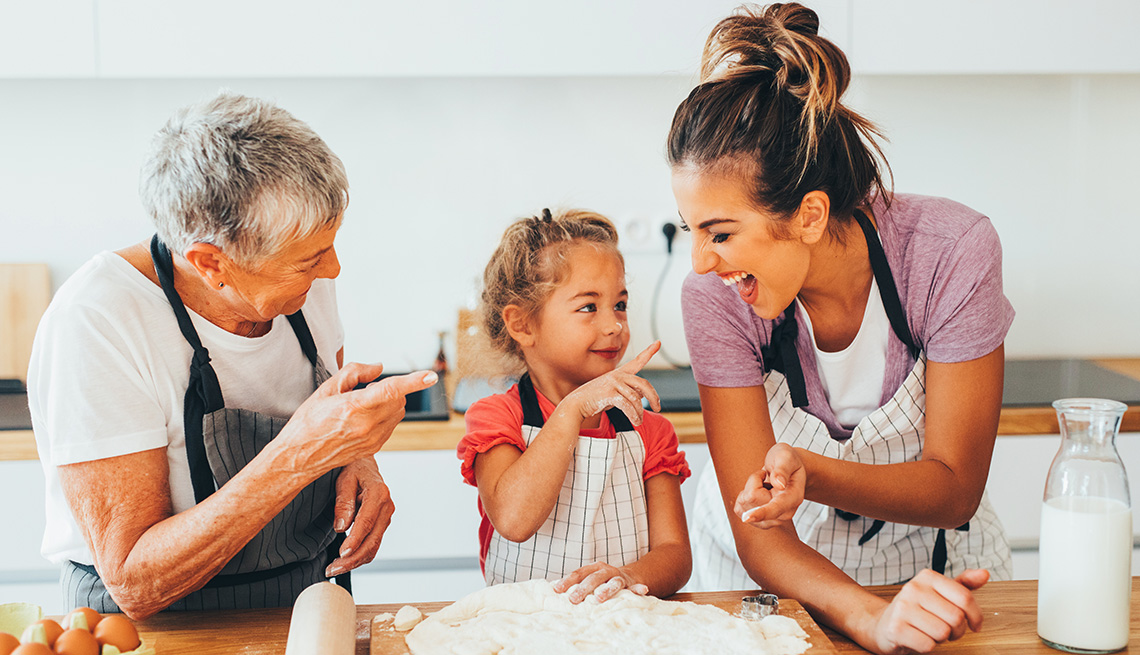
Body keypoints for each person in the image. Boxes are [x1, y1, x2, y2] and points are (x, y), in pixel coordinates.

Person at [669, 4, 1013, 653]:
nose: (700, 261)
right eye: (691, 229)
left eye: (720, 232)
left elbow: (953, 486)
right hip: (770, 597)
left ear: (809, 214)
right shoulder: (715, 297)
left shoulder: (948, 251)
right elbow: (760, 529)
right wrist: (867, 617)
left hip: (932, 578)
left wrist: (812, 473)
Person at [28, 92, 437, 619]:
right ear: (210, 263)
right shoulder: (98, 322)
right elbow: (134, 580)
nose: (332, 271)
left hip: (308, 598)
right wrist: (301, 455)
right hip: (159, 624)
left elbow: (326, 401)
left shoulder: (302, 284)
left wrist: (358, 459)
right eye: (310, 259)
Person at [457, 209, 692, 603]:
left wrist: (627, 575)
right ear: (522, 325)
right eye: (588, 307)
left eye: (620, 304)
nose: (614, 325)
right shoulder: (499, 418)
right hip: (523, 632)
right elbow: (514, 520)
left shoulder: (649, 431)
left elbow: (675, 556)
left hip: (623, 627)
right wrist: (571, 411)